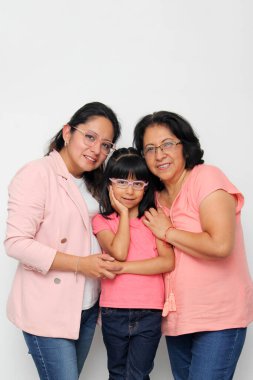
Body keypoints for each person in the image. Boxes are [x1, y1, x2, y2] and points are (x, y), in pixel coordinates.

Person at [4, 101, 122, 380]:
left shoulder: (97, 183)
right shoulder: (37, 173)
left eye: (106, 145)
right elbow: (16, 242)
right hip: (47, 308)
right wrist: (81, 264)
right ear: (68, 133)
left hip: (87, 306)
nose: (97, 150)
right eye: (90, 137)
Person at [133, 111, 253, 380]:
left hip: (219, 316)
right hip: (178, 318)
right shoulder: (153, 196)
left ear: (184, 146)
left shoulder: (206, 177)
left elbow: (221, 244)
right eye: (150, 149)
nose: (159, 155)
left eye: (167, 144)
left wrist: (168, 231)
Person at [92, 147, 175, 380]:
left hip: (150, 309)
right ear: (109, 184)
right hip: (113, 310)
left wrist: (124, 269)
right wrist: (124, 214)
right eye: (121, 182)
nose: (130, 190)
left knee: (138, 374)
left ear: (146, 186)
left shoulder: (154, 218)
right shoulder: (102, 221)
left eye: (138, 183)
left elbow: (166, 262)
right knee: (118, 373)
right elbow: (119, 251)